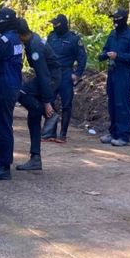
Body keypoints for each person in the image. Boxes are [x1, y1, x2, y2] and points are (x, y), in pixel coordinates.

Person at [15, 18, 58, 171]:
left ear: (19, 34)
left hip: (50, 79)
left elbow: (44, 76)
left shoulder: (35, 47)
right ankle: (35, 158)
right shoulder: (31, 40)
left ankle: (48, 113)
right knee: (33, 116)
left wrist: (47, 102)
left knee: (18, 90)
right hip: (46, 77)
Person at [43, 14, 87, 144]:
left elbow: (82, 57)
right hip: (52, 73)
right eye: (53, 25)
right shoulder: (51, 36)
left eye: (56, 25)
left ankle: (62, 134)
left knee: (66, 104)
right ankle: (50, 132)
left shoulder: (74, 39)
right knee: (49, 101)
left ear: (63, 25)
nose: (54, 27)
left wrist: (77, 73)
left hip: (66, 73)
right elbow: (45, 53)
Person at [0, 7, 24, 179]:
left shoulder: (6, 39)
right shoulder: (15, 38)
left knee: (2, 126)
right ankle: (2, 162)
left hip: (5, 85)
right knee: (4, 125)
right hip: (12, 84)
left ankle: (3, 165)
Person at [99, 8, 130, 146]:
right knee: (112, 103)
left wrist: (118, 56)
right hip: (112, 72)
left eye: (117, 18)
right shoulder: (112, 34)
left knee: (122, 104)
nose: (115, 21)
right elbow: (105, 49)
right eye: (113, 18)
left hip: (123, 73)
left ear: (124, 19)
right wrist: (105, 55)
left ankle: (123, 136)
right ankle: (113, 132)